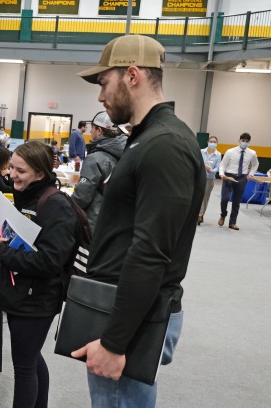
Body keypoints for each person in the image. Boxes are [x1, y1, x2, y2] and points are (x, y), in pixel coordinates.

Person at [73, 34, 206, 407]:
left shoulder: (163, 145)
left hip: (131, 319)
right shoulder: (144, 138)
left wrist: (115, 343)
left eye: (103, 83)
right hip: (121, 307)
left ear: (132, 75)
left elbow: (150, 253)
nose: (100, 96)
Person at [0, 141, 78, 408]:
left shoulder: (55, 205)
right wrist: (2, 243)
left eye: (21, 171)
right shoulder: (27, 195)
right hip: (22, 292)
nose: (12, 175)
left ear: (40, 173)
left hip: (38, 298)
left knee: (24, 366)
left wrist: (7, 255)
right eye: (11, 168)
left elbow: (50, 260)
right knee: (31, 358)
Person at [72, 111, 126, 230]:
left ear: (99, 131)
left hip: (94, 223)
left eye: (92, 128)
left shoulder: (95, 159)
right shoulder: (128, 152)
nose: (90, 131)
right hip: (117, 221)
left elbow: (81, 197)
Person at [218, 133, 259, 230]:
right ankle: (223, 214)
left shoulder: (252, 153)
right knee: (225, 198)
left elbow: (255, 164)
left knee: (236, 201)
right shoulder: (230, 151)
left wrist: (251, 174)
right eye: (243, 140)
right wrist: (221, 174)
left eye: (246, 141)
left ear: (249, 142)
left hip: (242, 178)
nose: (244, 142)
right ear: (239, 140)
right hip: (229, 176)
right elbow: (223, 164)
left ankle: (232, 222)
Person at [198, 136, 221, 225]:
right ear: (207, 142)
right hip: (200, 177)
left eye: (214, 142)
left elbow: (217, 167)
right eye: (211, 141)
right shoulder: (201, 151)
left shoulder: (218, 154)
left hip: (209, 178)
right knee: (197, 196)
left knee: (205, 198)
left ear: (217, 144)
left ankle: (201, 214)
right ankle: (196, 213)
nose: (212, 143)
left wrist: (211, 170)